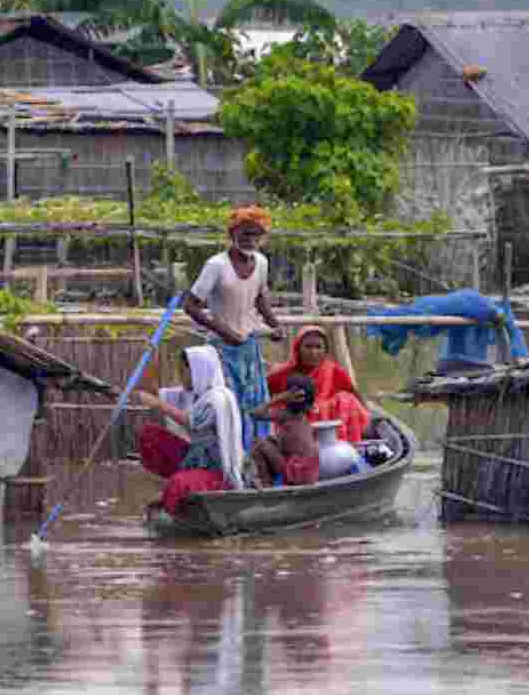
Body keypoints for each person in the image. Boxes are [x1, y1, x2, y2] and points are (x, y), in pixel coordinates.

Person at [185, 206, 283, 425]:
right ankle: (230, 456)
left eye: (257, 235)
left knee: (254, 403)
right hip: (222, 348)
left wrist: (275, 325)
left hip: (249, 346)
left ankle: (253, 453)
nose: (251, 239)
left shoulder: (261, 262)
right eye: (246, 233)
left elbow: (258, 297)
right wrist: (226, 332)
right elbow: (191, 306)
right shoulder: (216, 265)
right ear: (232, 234)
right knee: (229, 405)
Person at [133, 346, 245, 515]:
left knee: (177, 484)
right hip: (195, 459)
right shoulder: (192, 393)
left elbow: (192, 422)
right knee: (150, 435)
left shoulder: (218, 398)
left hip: (219, 470)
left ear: (198, 371)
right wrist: (150, 361)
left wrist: (159, 405)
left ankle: (179, 498)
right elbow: (153, 392)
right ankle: (183, 483)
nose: (180, 375)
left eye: (183, 371)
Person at [268, 325, 372, 444]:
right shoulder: (283, 373)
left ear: (325, 350)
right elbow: (264, 397)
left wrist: (368, 418)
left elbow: (354, 395)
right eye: (308, 347)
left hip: (328, 424)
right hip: (294, 423)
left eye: (318, 347)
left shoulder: (334, 371)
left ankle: (345, 442)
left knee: (346, 399)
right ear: (298, 348)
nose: (313, 352)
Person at [250, 373, 321, 487]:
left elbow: (254, 414)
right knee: (270, 441)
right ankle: (268, 484)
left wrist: (277, 399)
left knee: (258, 445)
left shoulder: (285, 414)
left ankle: (266, 486)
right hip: (308, 471)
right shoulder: (306, 411)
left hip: (296, 471)